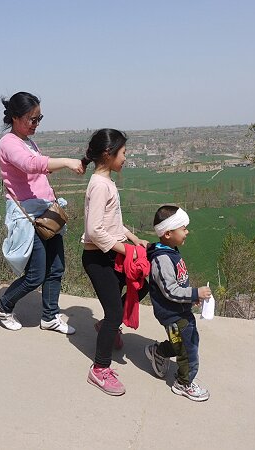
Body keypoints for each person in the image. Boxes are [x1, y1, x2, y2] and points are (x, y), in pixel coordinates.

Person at [0, 91, 84, 334]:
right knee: (35, 275)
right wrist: (65, 161)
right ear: (15, 117)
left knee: (56, 268)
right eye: (32, 119)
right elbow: (31, 164)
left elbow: (37, 170)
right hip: (28, 216)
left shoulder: (28, 141)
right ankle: (3, 305)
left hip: (46, 211)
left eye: (39, 118)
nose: (36, 124)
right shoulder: (9, 143)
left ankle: (50, 317)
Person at [81, 128, 149, 396]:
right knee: (113, 312)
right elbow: (95, 230)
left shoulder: (106, 182)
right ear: (108, 155)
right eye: (123, 153)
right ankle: (99, 370)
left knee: (141, 281)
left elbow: (115, 225)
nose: (126, 158)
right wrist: (128, 251)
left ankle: (107, 326)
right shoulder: (99, 185)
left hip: (111, 253)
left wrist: (135, 240)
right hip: (98, 258)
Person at [145, 205, 211, 401]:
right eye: (183, 228)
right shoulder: (163, 259)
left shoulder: (170, 251)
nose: (187, 231)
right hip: (173, 316)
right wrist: (194, 293)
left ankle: (159, 351)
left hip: (179, 311)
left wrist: (192, 297)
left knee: (184, 342)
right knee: (188, 351)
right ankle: (184, 383)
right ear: (167, 233)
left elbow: (178, 285)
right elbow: (170, 290)